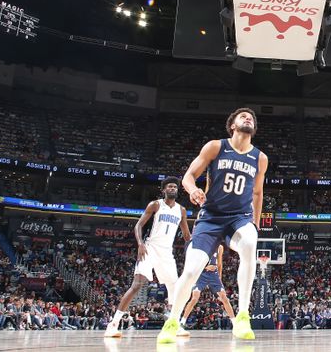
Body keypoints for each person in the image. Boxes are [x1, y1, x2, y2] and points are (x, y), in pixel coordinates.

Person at [157, 108, 267, 344]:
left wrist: (255, 224)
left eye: (252, 118)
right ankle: (172, 321)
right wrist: (193, 189)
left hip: (239, 218)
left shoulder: (260, 158)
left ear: (254, 129)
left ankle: (243, 316)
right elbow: (188, 176)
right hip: (210, 218)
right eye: (243, 116)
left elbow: (257, 193)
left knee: (250, 242)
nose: (248, 118)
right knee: (191, 270)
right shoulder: (216, 147)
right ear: (233, 125)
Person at [104, 176, 191, 337]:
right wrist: (140, 244)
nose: (173, 189)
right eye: (169, 187)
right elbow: (138, 225)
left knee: (175, 289)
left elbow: (187, 236)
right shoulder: (155, 204)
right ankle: (113, 324)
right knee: (137, 285)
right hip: (150, 247)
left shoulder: (181, 210)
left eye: (175, 187)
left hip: (167, 252)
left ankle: (174, 323)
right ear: (163, 190)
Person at [178, 245, 235, 335]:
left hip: (214, 275)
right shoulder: (202, 244)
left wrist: (219, 278)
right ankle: (182, 323)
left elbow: (219, 264)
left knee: (224, 298)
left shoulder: (219, 247)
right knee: (194, 298)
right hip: (201, 274)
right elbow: (193, 263)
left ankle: (235, 325)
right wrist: (205, 267)